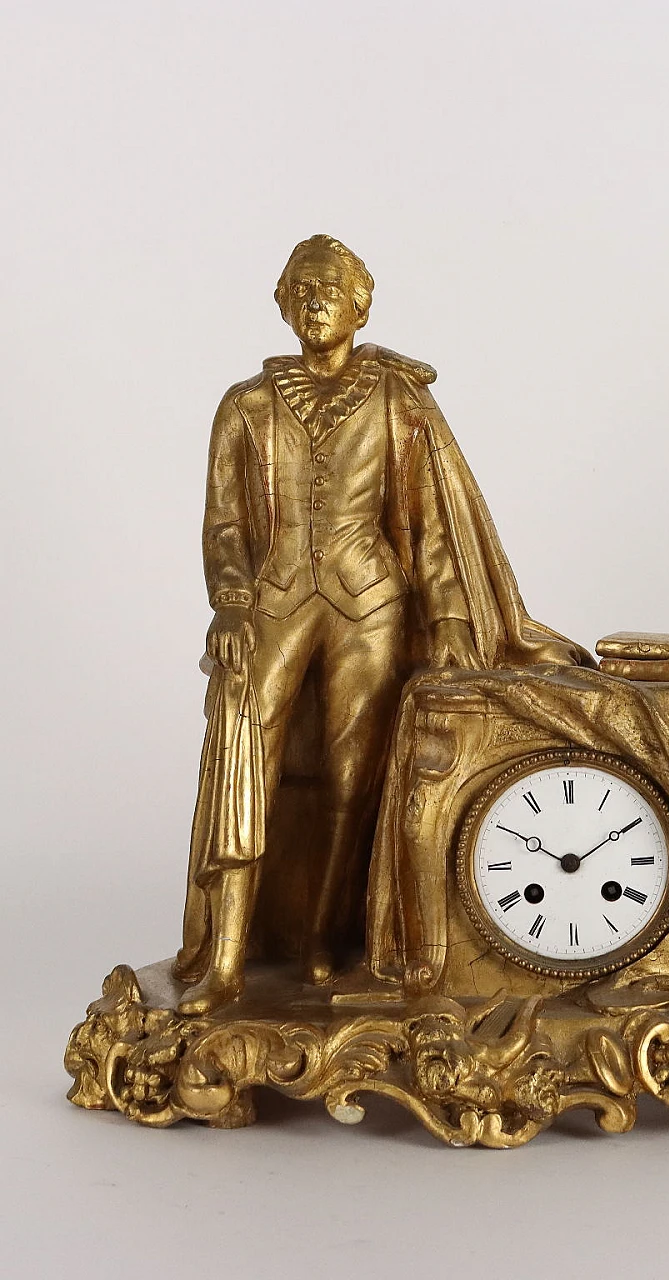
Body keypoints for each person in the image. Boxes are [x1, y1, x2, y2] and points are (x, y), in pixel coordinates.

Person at [175, 235, 588, 1014]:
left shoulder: (399, 401)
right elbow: (223, 528)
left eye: (331, 285)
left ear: (363, 304)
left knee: (352, 778)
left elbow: (432, 528)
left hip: (371, 604)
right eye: (300, 285)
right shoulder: (247, 406)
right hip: (276, 598)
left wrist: (453, 617)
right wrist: (229, 602)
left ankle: (326, 937)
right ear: (281, 301)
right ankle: (225, 955)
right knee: (243, 755)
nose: (315, 297)